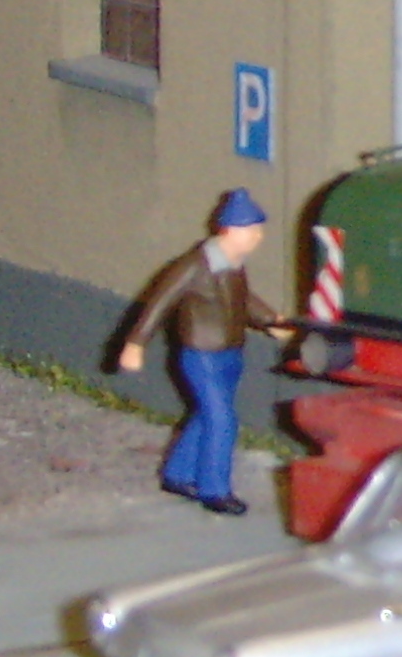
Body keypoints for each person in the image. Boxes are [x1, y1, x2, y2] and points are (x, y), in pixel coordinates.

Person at [116, 188, 290, 515]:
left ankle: (178, 473)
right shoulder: (194, 267)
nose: (258, 236)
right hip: (201, 356)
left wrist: (271, 321)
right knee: (223, 420)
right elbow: (159, 303)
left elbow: (243, 299)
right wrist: (135, 343)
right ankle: (214, 490)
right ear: (229, 230)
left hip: (230, 353)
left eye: (259, 229)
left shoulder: (233, 264)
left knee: (206, 413)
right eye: (252, 230)